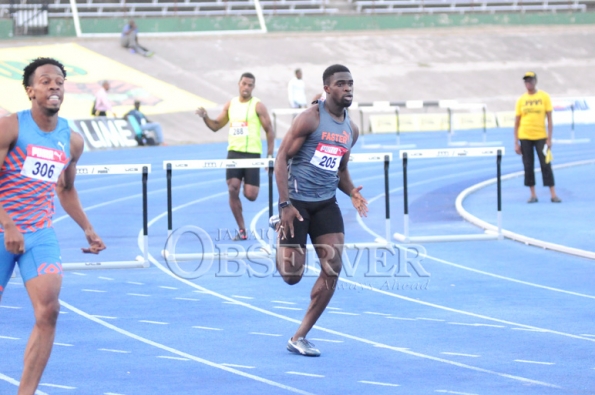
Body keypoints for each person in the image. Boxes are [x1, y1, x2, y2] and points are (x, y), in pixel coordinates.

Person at [0, 57, 106, 395]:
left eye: (59, 80)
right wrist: (8, 223)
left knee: (49, 310)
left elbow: (66, 188)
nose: (54, 86)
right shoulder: (10, 128)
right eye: (45, 81)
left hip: (40, 234)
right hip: (2, 230)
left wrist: (87, 228)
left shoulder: (71, 141)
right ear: (31, 91)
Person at [273, 64, 368, 357]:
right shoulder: (309, 119)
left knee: (333, 267)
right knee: (292, 276)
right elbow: (280, 158)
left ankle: (299, 336)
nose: (347, 88)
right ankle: (277, 227)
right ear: (327, 89)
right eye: (341, 84)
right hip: (297, 203)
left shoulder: (351, 129)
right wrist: (284, 204)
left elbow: (339, 170)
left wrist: (351, 191)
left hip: (327, 203)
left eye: (350, 83)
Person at [195, 72, 275, 240]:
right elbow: (216, 126)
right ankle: (242, 230)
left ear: (253, 87)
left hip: (252, 154)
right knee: (232, 189)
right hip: (234, 153)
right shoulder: (231, 104)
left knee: (251, 195)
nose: (246, 87)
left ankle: (245, 182)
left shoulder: (257, 106)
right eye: (244, 84)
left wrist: (269, 155)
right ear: (239, 84)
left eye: (250, 85)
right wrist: (205, 117)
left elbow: (269, 131)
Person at [514, 71, 561, 203]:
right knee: (528, 165)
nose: (528, 83)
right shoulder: (521, 100)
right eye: (526, 81)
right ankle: (533, 194)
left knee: (546, 164)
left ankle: (553, 194)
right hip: (525, 136)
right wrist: (516, 142)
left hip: (541, 136)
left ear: (535, 81)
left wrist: (549, 138)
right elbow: (516, 122)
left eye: (530, 80)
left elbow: (550, 119)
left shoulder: (544, 97)